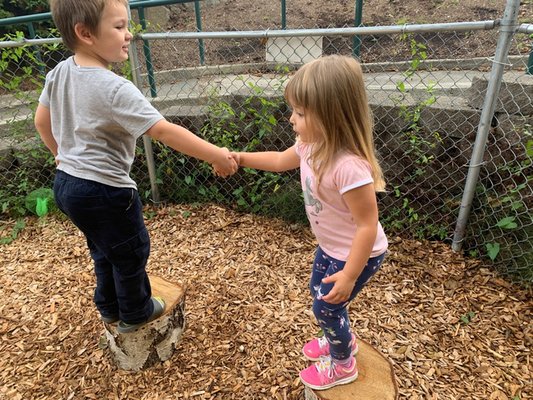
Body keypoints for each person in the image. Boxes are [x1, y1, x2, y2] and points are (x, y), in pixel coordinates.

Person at [34, 0, 237, 334]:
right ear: (85, 33)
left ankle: (109, 307)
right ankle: (135, 311)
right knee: (131, 250)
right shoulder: (114, 88)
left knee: (102, 248)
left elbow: (42, 120)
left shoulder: (60, 72)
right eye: (118, 27)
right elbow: (163, 130)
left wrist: (60, 154)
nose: (128, 34)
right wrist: (215, 154)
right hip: (105, 190)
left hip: (67, 185)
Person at [232, 55, 388, 390]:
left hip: (358, 254)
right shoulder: (309, 145)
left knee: (327, 308)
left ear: (332, 114)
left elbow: (367, 225)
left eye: (301, 113)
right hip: (331, 247)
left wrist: (349, 274)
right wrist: (240, 158)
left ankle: (343, 363)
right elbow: (277, 161)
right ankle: (340, 338)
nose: (292, 119)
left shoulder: (349, 168)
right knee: (321, 298)